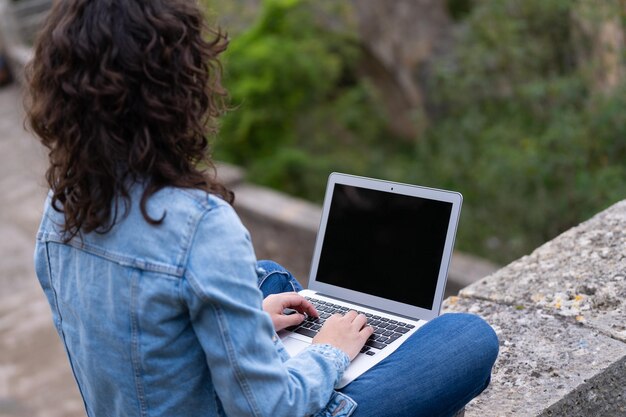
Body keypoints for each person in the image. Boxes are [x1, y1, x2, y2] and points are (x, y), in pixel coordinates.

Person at [26, 1, 498, 416]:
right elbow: (270, 409)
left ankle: (302, 339)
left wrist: (251, 324)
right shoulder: (198, 226)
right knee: (468, 338)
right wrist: (330, 354)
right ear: (176, 89)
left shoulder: (61, 210)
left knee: (269, 278)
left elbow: (136, 347)